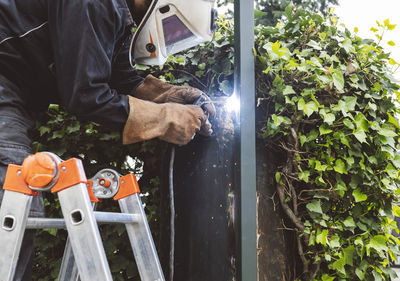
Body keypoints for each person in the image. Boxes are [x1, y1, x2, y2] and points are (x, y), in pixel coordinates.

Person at [0, 0, 216, 279]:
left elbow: (118, 79)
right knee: (17, 196)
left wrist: (167, 96)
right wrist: (164, 118)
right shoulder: (96, 3)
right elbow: (86, 95)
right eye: (173, 30)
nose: (170, 38)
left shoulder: (115, 13)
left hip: (13, 96)